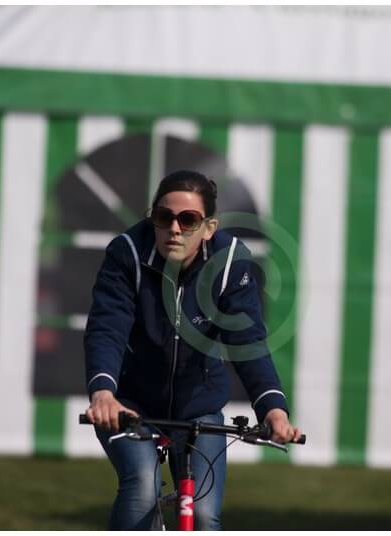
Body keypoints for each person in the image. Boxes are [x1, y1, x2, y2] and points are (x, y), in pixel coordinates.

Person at [84, 169, 302, 530]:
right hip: (130, 404)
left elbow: (247, 341)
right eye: (163, 217)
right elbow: (107, 328)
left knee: (201, 513)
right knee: (143, 488)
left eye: (188, 220)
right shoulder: (127, 253)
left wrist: (273, 410)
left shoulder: (229, 262)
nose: (174, 228)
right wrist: (104, 394)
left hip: (198, 407)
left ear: (209, 228)